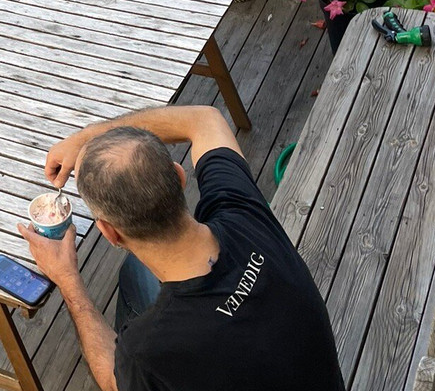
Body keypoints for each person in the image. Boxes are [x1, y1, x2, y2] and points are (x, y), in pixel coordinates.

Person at [18, 105, 344, 391]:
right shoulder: (243, 212)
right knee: (136, 273)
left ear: (109, 233)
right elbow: (204, 119)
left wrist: (68, 280)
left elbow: (112, 380)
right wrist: (87, 138)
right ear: (179, 176)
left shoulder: (147, 351)